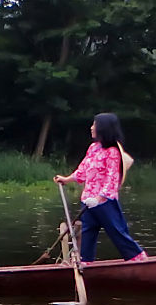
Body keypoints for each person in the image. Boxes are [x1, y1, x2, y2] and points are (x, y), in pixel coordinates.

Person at [54, 113, 147, 264]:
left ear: (103, 128)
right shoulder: (93, 148)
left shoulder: (113, 152)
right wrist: (66, 179)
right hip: (88, 200)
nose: (91, 128)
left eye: (94, 125)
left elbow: (112, 179)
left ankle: (137, 257)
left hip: (104, 201)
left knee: (116, 230)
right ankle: (86, 261)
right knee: (88, 230)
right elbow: (83, 170)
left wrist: (99, 199)